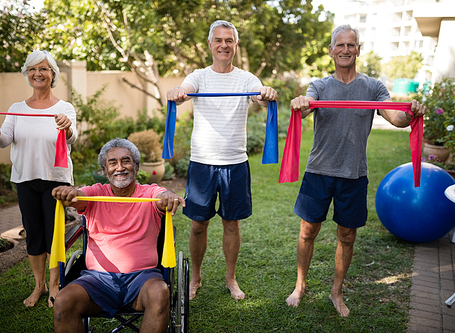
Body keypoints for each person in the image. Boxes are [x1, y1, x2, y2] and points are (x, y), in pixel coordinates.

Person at [285, 24, 426, 317]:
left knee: (347, 236)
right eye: (340, 45)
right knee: (307, 231)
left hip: (354, 174)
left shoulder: (373, 87)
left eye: (351, 45)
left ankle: (336, 293)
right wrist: (300, 103)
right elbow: (307, 108)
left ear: (358, 50)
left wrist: (411, 111)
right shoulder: (320, 86)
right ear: (331, 51)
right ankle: (300, 286)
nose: (346, 50)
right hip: (319, 171)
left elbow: (396, 118)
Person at [166, 19, 278, 301]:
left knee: (231, 223)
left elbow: (259, 95)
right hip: (202, 163)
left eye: (229, 40)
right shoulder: (199, 76)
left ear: (235, 45)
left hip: (235, 163)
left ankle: (230, 278)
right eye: (219, 40)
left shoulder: (245, 78)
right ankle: (196, 277)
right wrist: (177, 93)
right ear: (210, 44)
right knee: (197, 225)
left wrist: (267, 94)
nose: (224, 45)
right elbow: (184, 90)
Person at [0, 50, 77, 307]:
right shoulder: (16, 109)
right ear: (27, 74)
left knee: (54, 235)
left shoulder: (64, 108)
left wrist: (67, 125)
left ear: (52, 74)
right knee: (33, 234)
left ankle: (55, 286)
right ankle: (38, 286)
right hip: (25, 179)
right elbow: (3, 139)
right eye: (32, 69)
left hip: (56, 180)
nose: (37, 73)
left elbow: (73, 138)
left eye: (43, 69)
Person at [51, 138, 185, 333]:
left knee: (160, 292)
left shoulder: (149, 193)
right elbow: (77, 196)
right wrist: (68, 192)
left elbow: (162, 196)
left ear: (136, 167)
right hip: (97, 281)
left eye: (126, 161)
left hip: (143, 279)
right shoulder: (94, 193)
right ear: (105, 171)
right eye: (112, 163)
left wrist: (168, 196)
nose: (119, 167)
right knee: (63, 301)